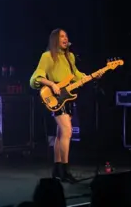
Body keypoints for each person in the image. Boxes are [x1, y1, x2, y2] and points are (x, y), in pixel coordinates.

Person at [30, 28, 101, 183]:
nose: (65, 38)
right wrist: (51, 84)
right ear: (55, 39)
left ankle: (57, 168)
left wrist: (93, 76)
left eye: (66, 36)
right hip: (54, 97)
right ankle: (65, 169)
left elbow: (76, 75)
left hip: (67, 97)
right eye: (61, 36)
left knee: (60, 134)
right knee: (67, 131)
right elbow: (36, 76)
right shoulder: (47, 56)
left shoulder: (70, 57)